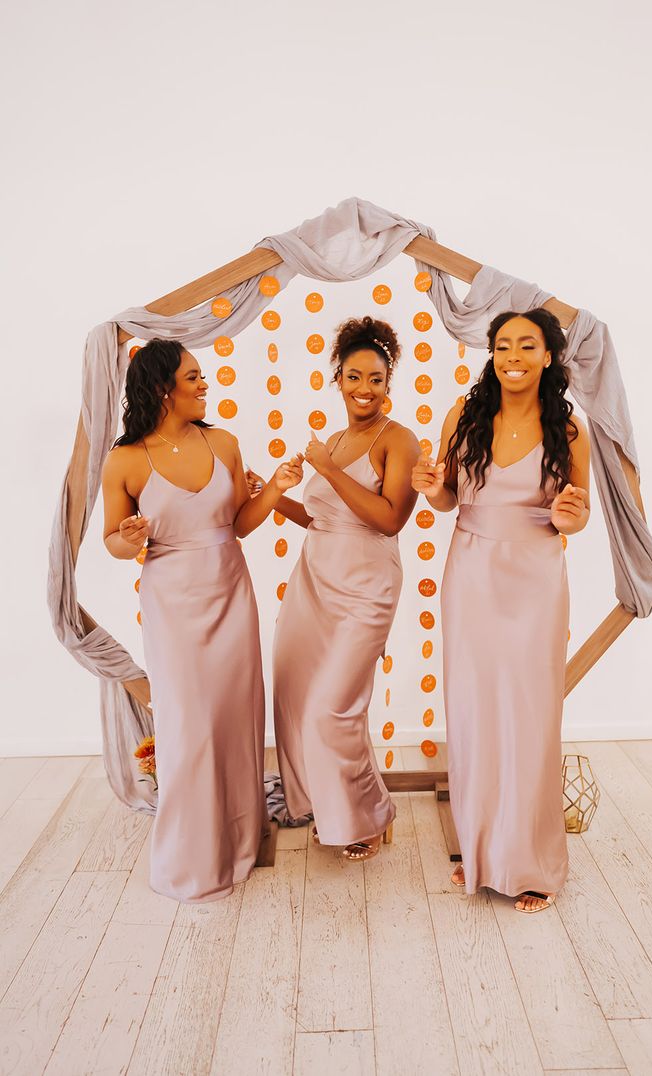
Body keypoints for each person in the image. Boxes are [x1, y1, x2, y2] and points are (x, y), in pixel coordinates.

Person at [101, 338, 302, 902]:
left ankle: (238, 843)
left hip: (230, 589)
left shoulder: (224, 442)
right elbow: (113, 542)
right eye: (193, 377)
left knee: (235, 716)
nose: (203, 385)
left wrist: (279, 491)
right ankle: (190, 856)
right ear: (163, 388)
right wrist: (129, 537)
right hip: (171, 600)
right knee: (187, 722)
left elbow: (239, 521)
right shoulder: (125, 460)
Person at [412, 308, 590, 912]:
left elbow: (579, 510)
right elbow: (444, 499)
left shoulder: (569, 431)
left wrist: (571, 517)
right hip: (472, 574)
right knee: (474, 711)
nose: (512, 355)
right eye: (503, 345)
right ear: (491, 353)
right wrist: (428, 484)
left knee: (532, 714)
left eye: (526, 345)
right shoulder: (464, 417)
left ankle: (532, 863)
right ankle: (481, 853)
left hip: (537, 577)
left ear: (548, 357)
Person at [248, 316, 420, 861]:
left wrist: (327, 467)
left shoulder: (400, 440)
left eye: (375, 378)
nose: (364, 388)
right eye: (353, 376)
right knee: (296, 693)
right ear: (338, 379)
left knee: (333, 706)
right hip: (313, 584)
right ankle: (323, 803)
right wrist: (273, 495)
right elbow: (321, 518)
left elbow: (389, 518)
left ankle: (367, 815)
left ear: (389, 384)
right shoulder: (338, 438)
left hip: (366, 586)